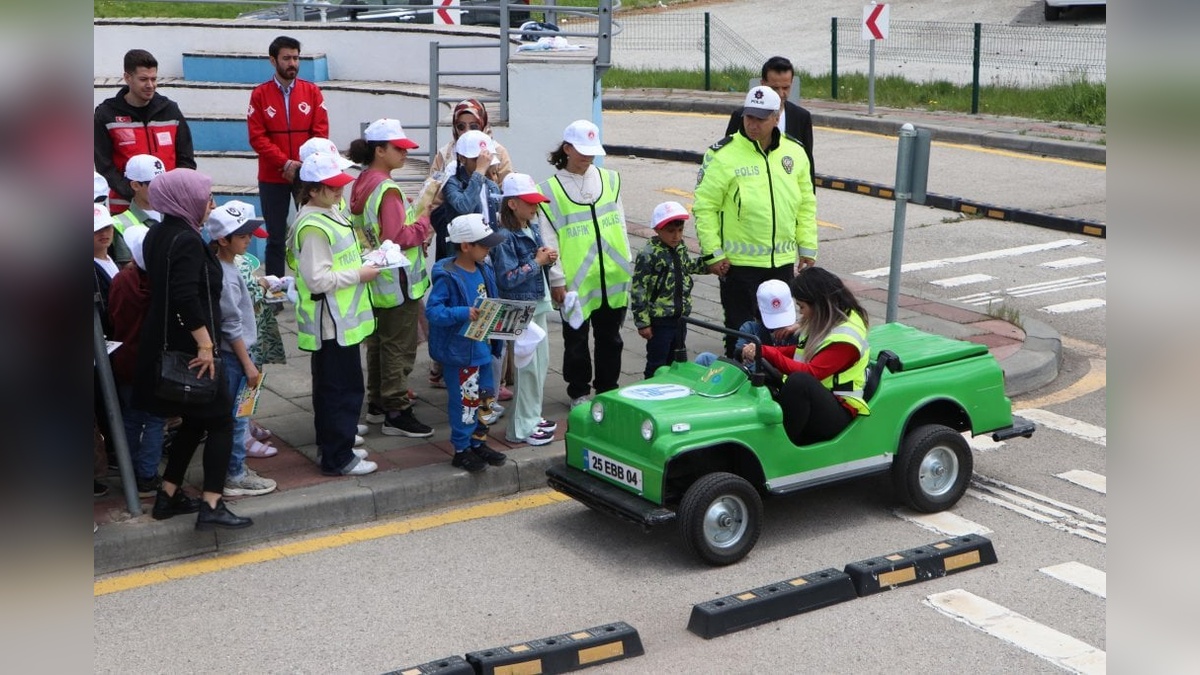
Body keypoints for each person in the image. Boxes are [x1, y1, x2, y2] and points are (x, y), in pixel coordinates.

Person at [132, 168, 252, 531]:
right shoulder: (185, 239)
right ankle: (212, 503)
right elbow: (184, 296)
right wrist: (205, 344)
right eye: (204, 196)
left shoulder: (159, 233)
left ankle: (168, 495)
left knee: (195, 422)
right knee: (220, 422)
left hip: (167, 343)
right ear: (185, 199)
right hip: (190, 350)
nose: (208, 202)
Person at [695, 85, 817, 359]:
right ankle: (736, 384)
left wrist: (807, 247)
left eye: (761, 118)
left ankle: (774, 383)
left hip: (781, 263)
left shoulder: (794, 152)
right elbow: (705, 207)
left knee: (782, 332)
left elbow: (806, 203)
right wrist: (713, 254)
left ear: (776, 117)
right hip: (739, 265)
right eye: (748, 117)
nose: (752, 124)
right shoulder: (722, 154)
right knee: (740, 333)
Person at [288, 152, 380, 477]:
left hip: (341, 323)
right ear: (312, 189)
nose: (340, 189)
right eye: (332, 185)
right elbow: (317, 279)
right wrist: (361, 274)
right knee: (339, 391)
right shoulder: (313, 225)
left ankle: (337, 447)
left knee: (341, 388)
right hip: (331, 324)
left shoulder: (326, 213)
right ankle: (337, 457)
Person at [346, 118, 436, 438]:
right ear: (379, 150)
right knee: (399, 345)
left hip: (376, 277)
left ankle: (377, 404)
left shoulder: (362, 182)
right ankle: (396, 410)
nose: (404, 153)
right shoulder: (387, 187)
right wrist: (425, 222)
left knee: (379, 344)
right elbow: (397, 236)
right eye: (398, 148)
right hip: (398, 280)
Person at [537, 119, 633, 407]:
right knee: (576, 340)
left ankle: (607, 388)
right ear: (566, 149)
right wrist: (557, 280)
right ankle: (578, 391)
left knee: (611, 338)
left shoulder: (610, 180)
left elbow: (622, 225)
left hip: (613, 277)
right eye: (582, 151)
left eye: (592, 151)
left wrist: (627, 264)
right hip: (576, 280)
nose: (588, 157)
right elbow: (548, 238)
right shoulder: (550, 191)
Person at [741, 268, 870, 446]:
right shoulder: (829, 317)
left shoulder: (844, 341)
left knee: (799, 382)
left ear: (819, 304)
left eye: (802, 307)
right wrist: (763, 351)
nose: (801, 313)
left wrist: (767, 352)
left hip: (841, 407)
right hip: (823, 398)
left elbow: (810, 373)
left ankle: (780, 447)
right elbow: (802, 350)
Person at [424, 213, 510, 472]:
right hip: (460, 353)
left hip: (482, 349)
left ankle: (478, 441)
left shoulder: (483, 268)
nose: (488, 250)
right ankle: (461, 448)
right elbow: (433, 311)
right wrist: (462, 312)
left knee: (486, 398)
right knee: (465, 402)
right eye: (483, 245)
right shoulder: (447, 275)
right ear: (465, 246)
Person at [205, 201, 278, 498]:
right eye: (242, 236)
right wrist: (248, 364)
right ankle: (235, 475)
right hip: (236, 358)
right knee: (238, 420)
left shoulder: (228, 265)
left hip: (239, 356)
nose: (249, 239)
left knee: (237, 417)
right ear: (223, 240)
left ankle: (234, 471)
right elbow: (231, 325)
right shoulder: (225, 275)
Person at [248, 35, 330, 276]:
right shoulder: (260, 94)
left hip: (307, 175)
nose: (292, 63)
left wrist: (302, 165)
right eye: (287, 58)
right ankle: (276, 290)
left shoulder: (312, 91)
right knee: (275, 237)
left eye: (295, 58)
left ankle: (312, 282)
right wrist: (285, 162)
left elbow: (320, 132)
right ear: (273, 61)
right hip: (273, 176)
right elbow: (257, 137)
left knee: (312, 230)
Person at [492, 173, 558, 446]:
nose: (535, 207)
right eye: (529, 202)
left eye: (536, 202)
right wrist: (537, 261)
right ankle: (521, 427)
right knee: (527, 369)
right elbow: (506, 278)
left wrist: (547, 260)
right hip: (521, 307)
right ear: (512, 204)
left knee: (538, 366)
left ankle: (531, 416)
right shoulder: (505, 236)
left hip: (534, 303)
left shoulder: (529, 227)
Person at [94, 49, 196, 215]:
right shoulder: (106, 115)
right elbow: (105, 167)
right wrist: (135, 194)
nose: (150, 85)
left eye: (154, 79)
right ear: (127, 78)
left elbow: (186, 160)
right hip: (125, 211)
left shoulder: (170, 110)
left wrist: (172, 192)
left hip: (169, 207)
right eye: (143, 79)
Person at [108, 224, 168, 497]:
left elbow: (113, 317)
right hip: (155, 361)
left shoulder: (121, 281)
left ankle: (129, 471)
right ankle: (147, 475)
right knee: (155, 420)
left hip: (126, 359)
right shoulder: (162, 282)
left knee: (131, 419)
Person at [630, 201, 711, 379]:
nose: (676, 236)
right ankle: (651, 391)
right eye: (671, 231)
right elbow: (639, 289)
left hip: (680, 317)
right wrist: (642, 322)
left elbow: (688, 266)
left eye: (680, 230)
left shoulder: (680, 248)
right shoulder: (648, 253)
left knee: (677, 361)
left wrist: (710, 265)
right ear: (658, 230)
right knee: (657, 363)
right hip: (660, 319)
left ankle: (673, 391)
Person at [724, 56, 815, 187]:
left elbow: (807, 166)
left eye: (786, 88)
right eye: (774, 88)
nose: (780, 93)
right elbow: (728, 158)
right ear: (762, 84)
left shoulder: (801, 117)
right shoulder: (741, 116)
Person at [696, 278, 800, 373]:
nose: (778, 326)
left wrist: (802, 326)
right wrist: (746, 353)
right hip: (750, 376)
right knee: (704, 358)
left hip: (780, 381)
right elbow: (740, 359)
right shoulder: (751, 329)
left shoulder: (801, 332)